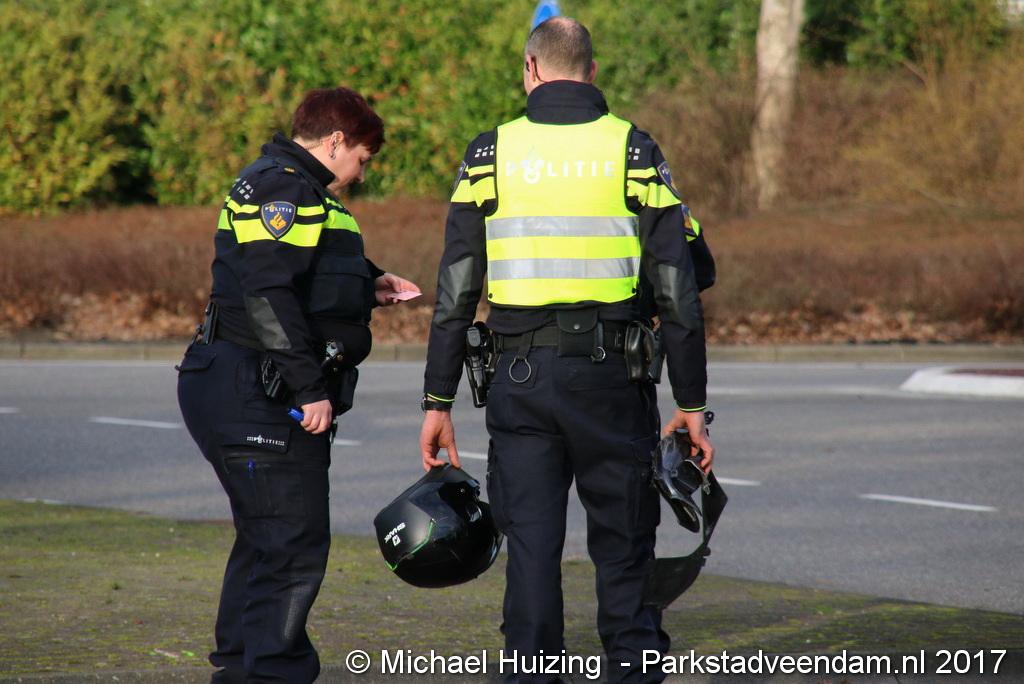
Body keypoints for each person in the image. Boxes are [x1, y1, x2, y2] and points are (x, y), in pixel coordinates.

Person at [418, 17, 714, 684]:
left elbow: (456, 289)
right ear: (592, 71)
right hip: (614, 379)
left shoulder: (489, 153)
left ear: (530, 68)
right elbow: (678, 289)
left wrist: (437, 400)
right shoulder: (633, 150)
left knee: (529, 546)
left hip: (519, 379)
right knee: (625, 545)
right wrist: (692, 404)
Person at [177, 87, 419, 684]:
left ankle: (242, 670)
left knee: (267, 539)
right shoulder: (283, 188)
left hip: (245, 382)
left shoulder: (295, 187)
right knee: (292, 544)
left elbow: (301, 271)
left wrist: (367, 282)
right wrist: (309, 388)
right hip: (257, 389)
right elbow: (266, 292)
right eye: (362, 158)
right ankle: (272, 674)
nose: (362, 174)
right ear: (335, 141)